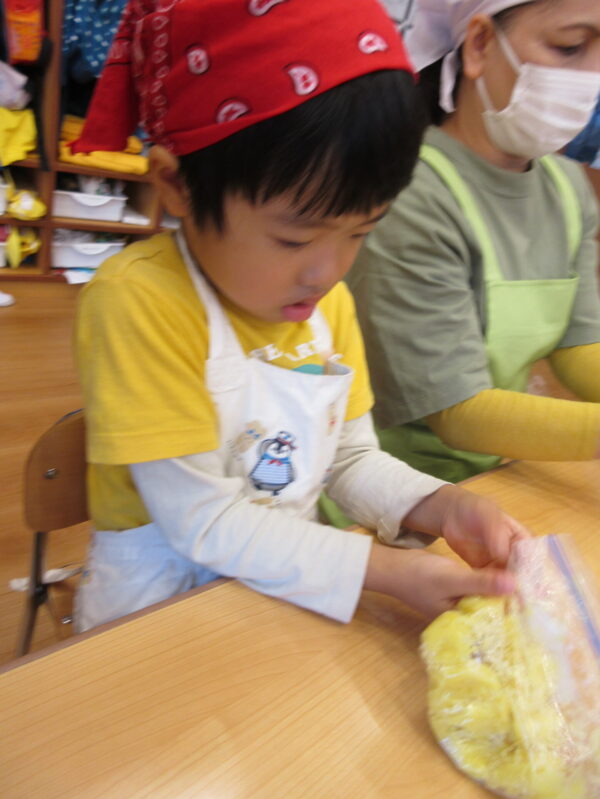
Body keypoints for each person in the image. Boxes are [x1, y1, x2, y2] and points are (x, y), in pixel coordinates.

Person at [70, 0, 527, 633]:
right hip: (154, 618)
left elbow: (349, 459)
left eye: (360, 232)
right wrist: (386, 571)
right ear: (177, 187)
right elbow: (204, 521)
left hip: (282, 597)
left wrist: (440, 505)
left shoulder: (325, 305)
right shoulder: (140, 301)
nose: (327, 270)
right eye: (294, 238)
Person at [348, 0, 600, 483]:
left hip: (492, 478)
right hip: (390, 494)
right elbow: (457, 412)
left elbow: (579, 345)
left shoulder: (568, 188)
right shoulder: (413, 193)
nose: (591, 78)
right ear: (480, 44)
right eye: (570, 47)